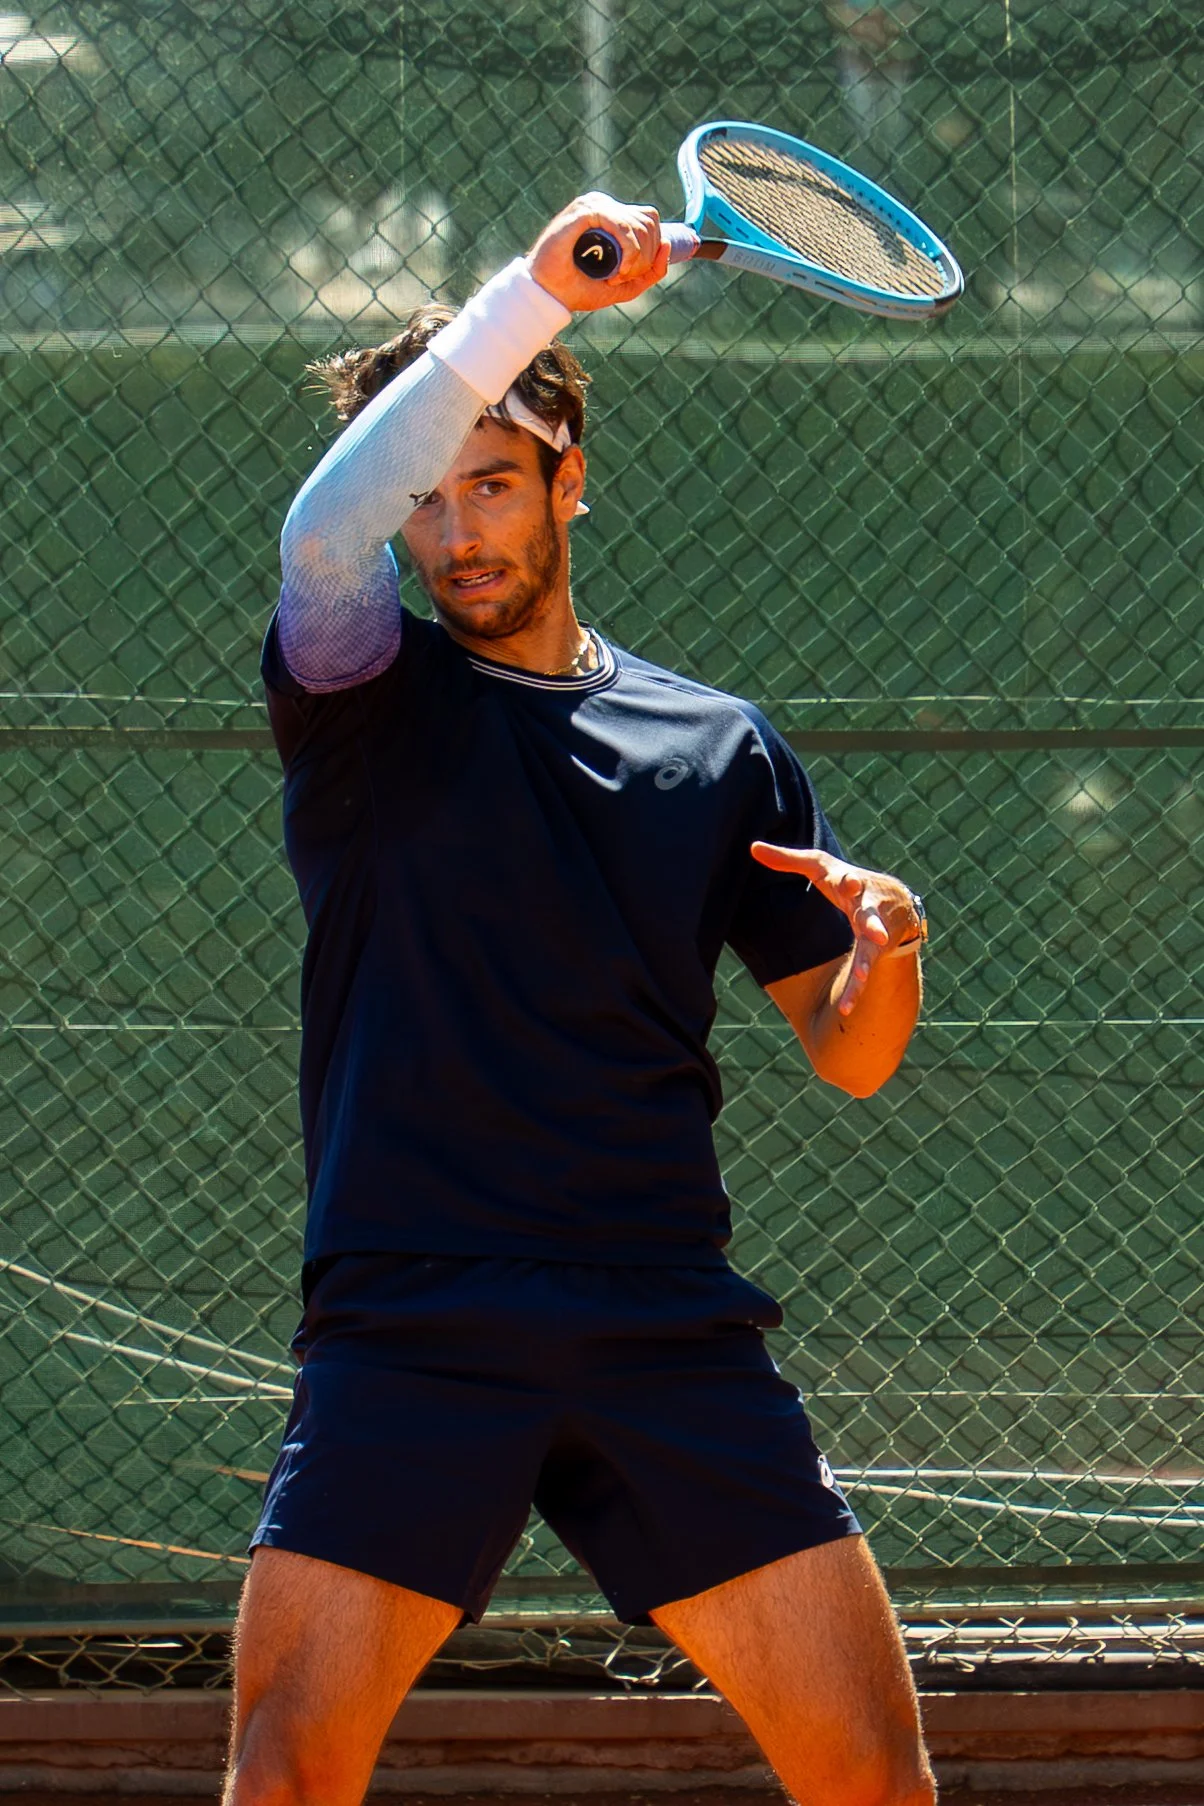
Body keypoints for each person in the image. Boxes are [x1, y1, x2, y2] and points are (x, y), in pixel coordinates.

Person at [226, 193, 934, 1806]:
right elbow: (318, 539)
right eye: (432, 497)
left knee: (877, 1782)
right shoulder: (361, 696)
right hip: (416, 1321)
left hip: (661, 1321)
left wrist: (888, 953)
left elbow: (853, 1056)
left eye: (492, 482)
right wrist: (529, 300)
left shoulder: (720, 746)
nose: (456, 528)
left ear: (569, 482)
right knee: (285, 1775)